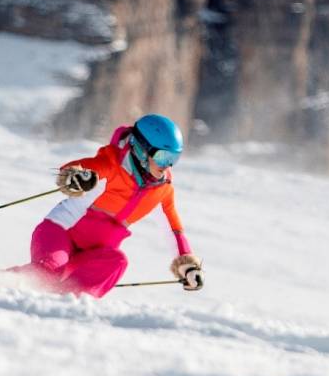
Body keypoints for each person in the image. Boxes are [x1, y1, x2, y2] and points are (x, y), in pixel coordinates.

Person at [22, 113, 203, 297]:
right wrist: (78, 177)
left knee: (118, 261)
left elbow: (174, 231)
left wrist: (187, 265)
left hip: (94, 253)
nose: (167, 165)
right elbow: (80, 168)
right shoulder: (112, 164)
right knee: (46, 276)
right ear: (142, 149)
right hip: (60, 234)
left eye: (174, 158)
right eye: (163, 157)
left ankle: (66, 298)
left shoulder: (163, 190)